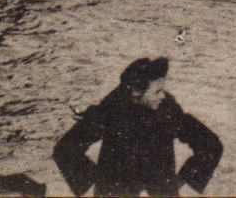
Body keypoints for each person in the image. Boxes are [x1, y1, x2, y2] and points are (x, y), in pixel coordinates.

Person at [53, 56, 222, 197]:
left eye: (162, 90)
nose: (163, 96)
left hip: (159, 190)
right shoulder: (109, 111)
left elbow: (211, 145)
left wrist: (182, 179)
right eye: (157, 92)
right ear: (135, 93)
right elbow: (66, 148)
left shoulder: (168, 111)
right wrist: (97, 179)